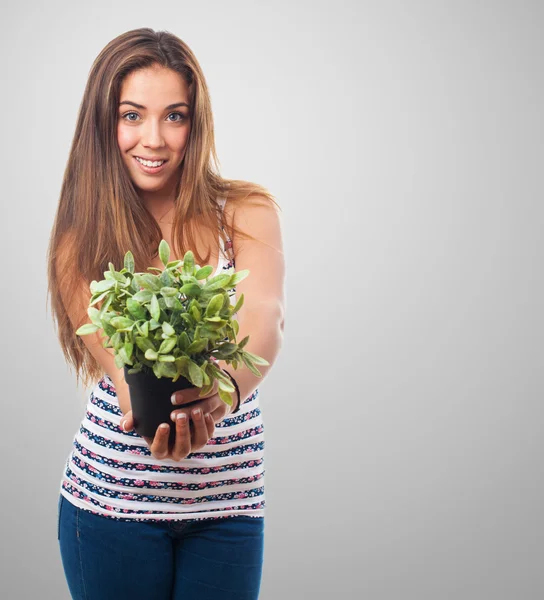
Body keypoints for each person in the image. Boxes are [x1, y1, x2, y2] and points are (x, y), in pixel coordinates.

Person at [46, 27, 285, 600]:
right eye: (133, 115)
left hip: (229, 510)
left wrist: (221, 393)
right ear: (105, 122)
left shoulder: (245, 211)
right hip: (109, 509)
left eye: (174, 116)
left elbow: (265, 320)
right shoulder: (81, 240)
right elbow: (130, 385)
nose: (153, 138)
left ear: (194, 124)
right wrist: (167, 422)